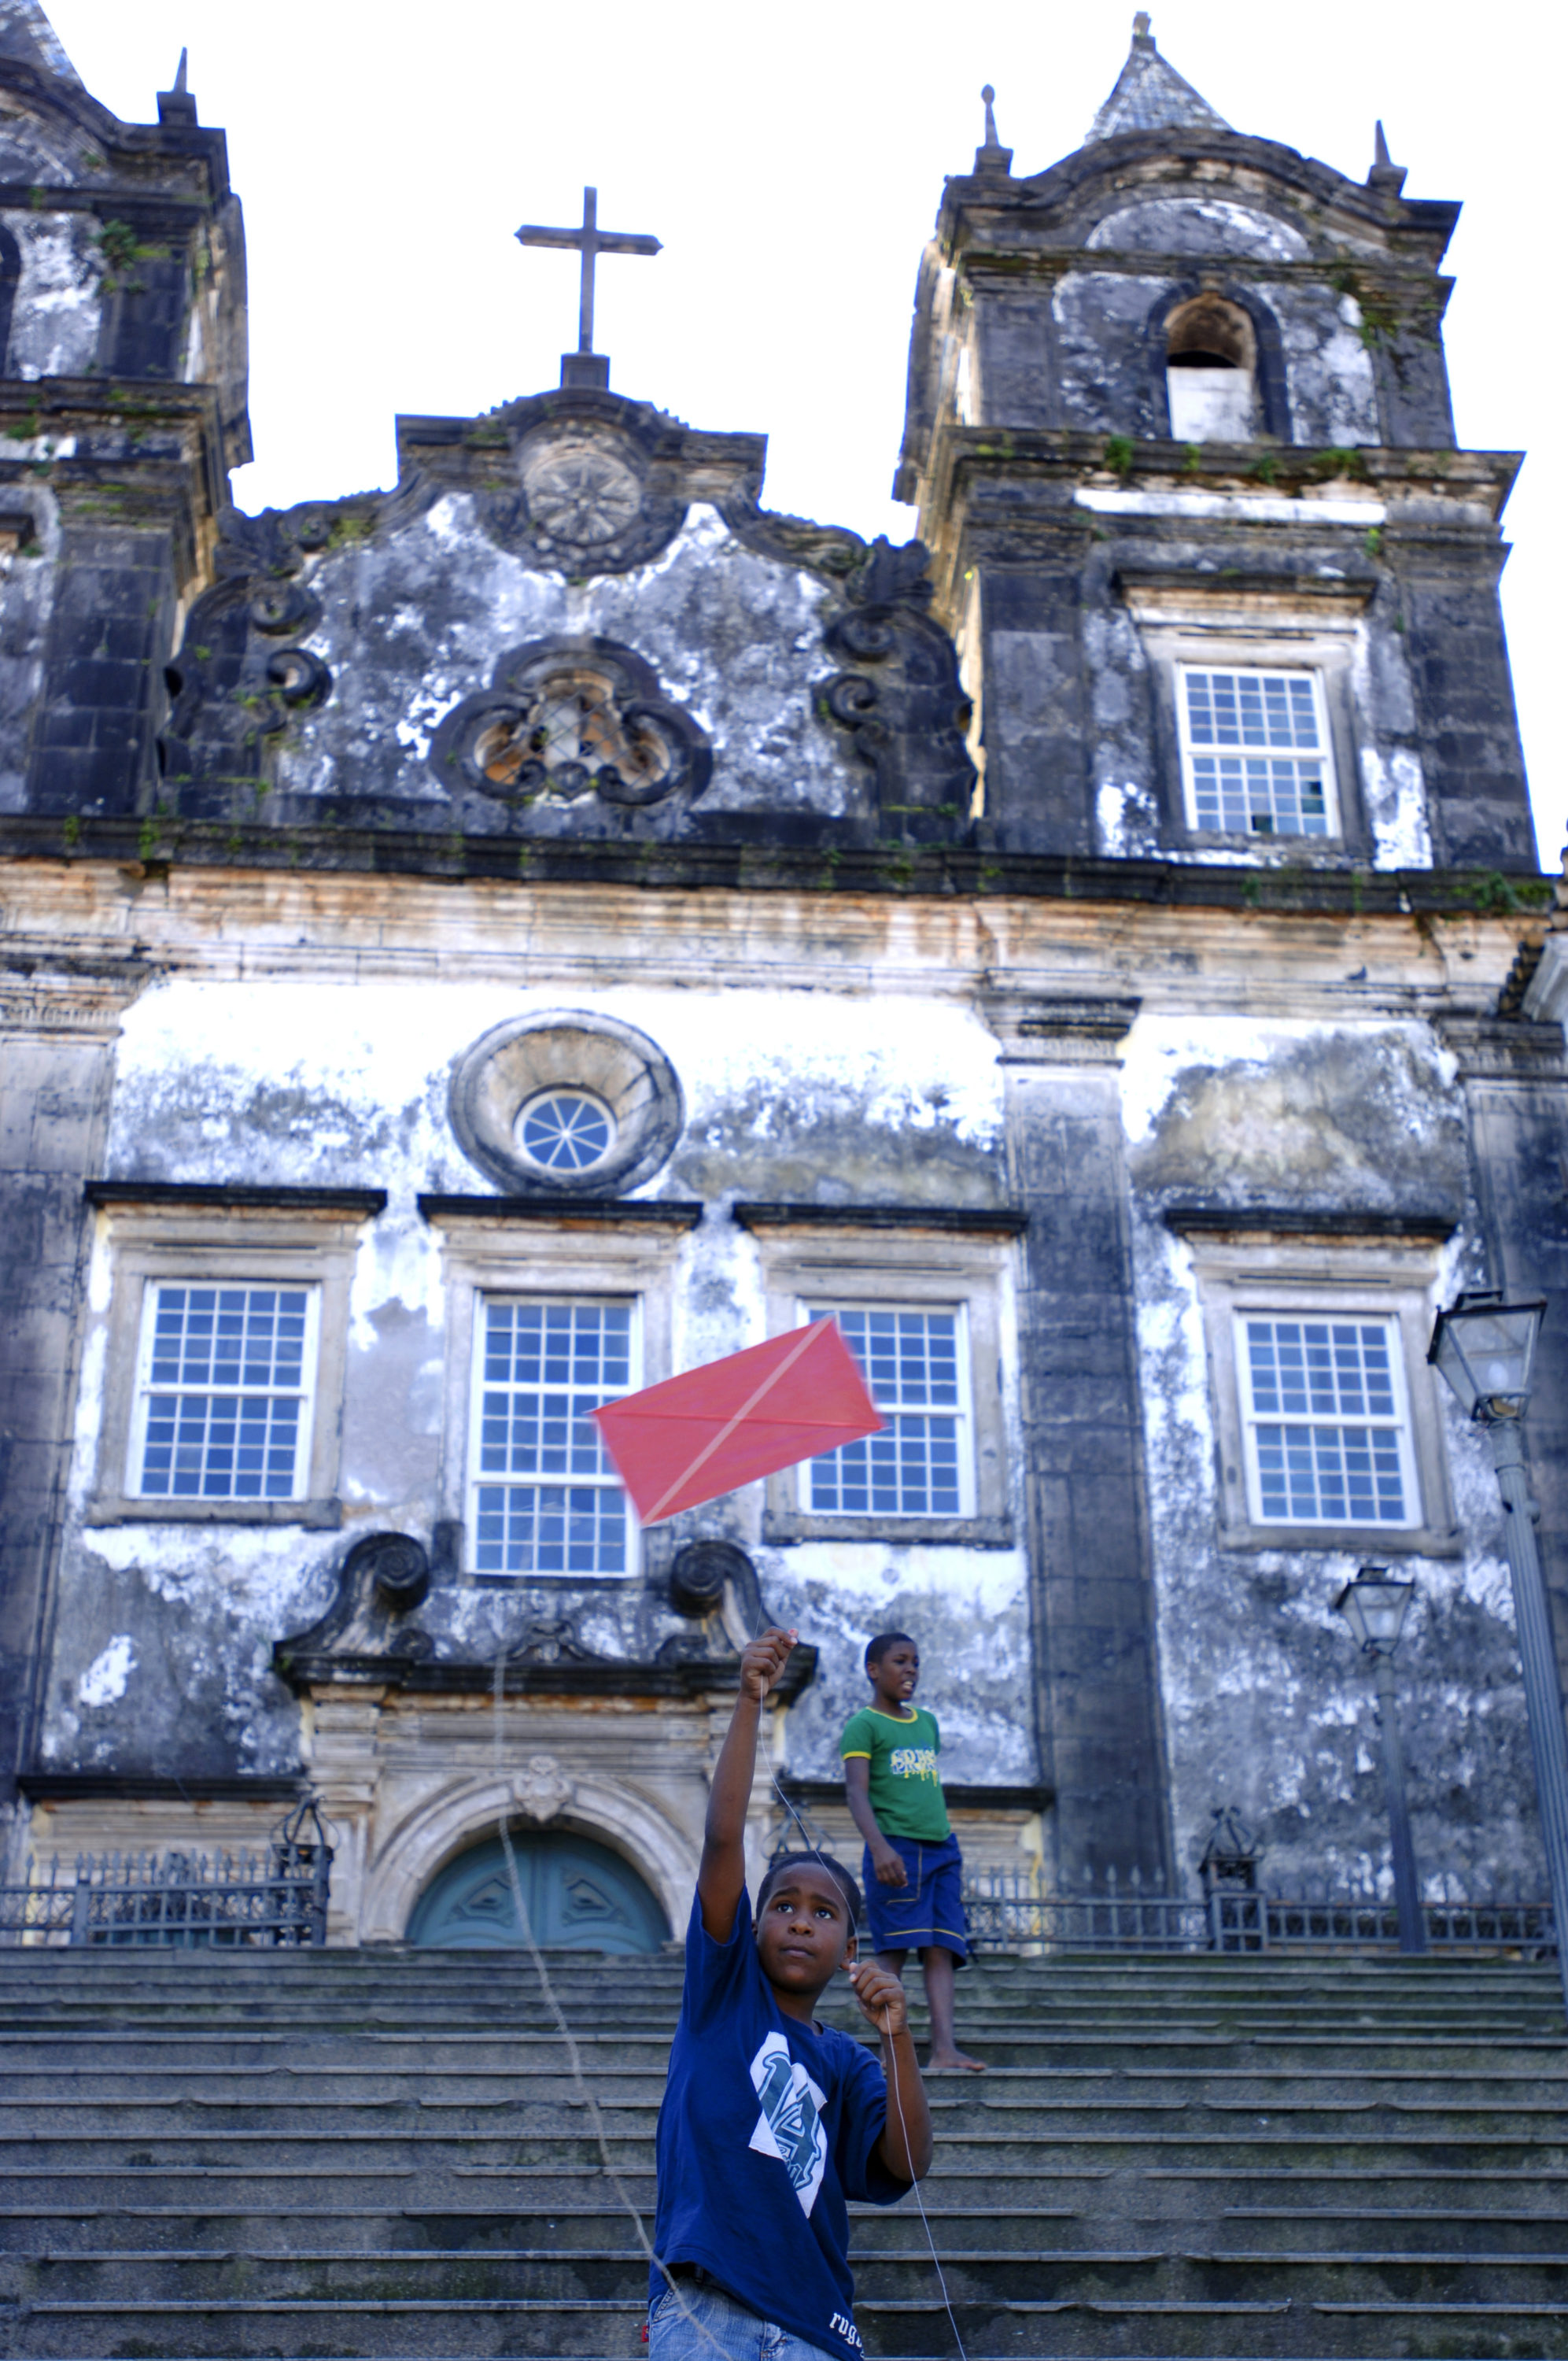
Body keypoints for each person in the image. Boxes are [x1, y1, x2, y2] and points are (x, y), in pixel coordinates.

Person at [650, 1624, 932, 2361]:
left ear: (849, 1949)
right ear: (749, 1927)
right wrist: (748, 1704)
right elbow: (721, 1843)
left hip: (818, 2327)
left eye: (823, 1913)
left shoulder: (846, 2062)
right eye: (782, 1906)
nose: (801, 1922)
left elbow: (904, 2162)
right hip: (708, 2312)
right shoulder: (722, 1999)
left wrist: (896, 2037)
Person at [841, 1631, 983, 2074]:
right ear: (873, 1670)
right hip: (896, 1849)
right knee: (895, 1951)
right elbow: (856, 1794)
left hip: (942, 1847)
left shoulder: (927, 1723)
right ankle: (889, 2052)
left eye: (916, 1663)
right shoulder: (863, 1725)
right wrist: (879, 1848)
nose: (910, 1671)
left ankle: (944, 2050)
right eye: (900, 1662)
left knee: (942, 1947)